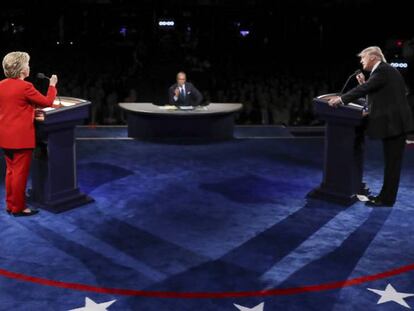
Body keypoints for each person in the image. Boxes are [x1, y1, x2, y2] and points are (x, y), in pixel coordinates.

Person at [328, 46, 414, 207]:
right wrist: (367, 85)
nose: (361, 61)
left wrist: (341, 100)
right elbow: (382, 92)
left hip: (394, 124)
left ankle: (386, 199)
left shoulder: (383, 70)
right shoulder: (385, 72)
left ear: (373, 57)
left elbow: (365, 89)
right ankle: (386, 197)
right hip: (396, 123)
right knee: (392, 164)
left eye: (363, 57)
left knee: (392, 165)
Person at [0, 51, 59, 216]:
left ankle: (10, 204)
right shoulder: (26, 86)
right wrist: (52, 85)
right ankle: (19, 208)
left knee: (11, 171)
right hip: (20, 138)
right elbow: (47, 102)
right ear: (20, 69)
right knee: (20, 174)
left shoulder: (1, 84)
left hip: (5, 136)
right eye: (27, 64)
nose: (29, 66)